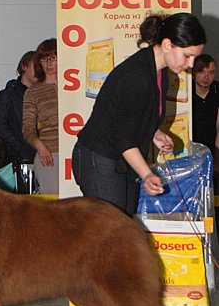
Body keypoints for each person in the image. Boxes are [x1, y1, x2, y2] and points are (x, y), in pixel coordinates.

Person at [72, 12, 206, 216]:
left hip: (120, 161)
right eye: (187, 56)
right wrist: (147, 174)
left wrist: (155, 133)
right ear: (168, 44)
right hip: (99, 158)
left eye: (194, 57)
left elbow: (132, 117)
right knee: (108, 234)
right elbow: (124, 137)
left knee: (123, 232)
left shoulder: (160, 74)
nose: (190, 64)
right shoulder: (136, 75)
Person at [22, 38, 59, 195]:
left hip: (76, 153)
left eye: (54, 58)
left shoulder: (75, 87)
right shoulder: (33, 92)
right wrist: (39, 145)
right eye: (44, 58)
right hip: (49, 155)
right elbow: (27, 128)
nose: (49, 63)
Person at [0, 50, 37, 166]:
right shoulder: (8, 94)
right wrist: (19, 147)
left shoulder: (42, 95)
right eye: (36, 66)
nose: (39, 70)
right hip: (16, 160)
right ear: (24, 66)